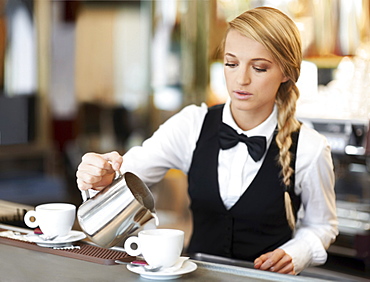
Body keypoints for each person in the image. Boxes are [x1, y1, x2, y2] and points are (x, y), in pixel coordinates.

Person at [76, 7, 338, 275]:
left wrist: (298, 252)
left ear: (286, 72)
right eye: (231, 63)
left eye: (259, 67)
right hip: (196, 277)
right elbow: (128, 174)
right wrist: (100, 176)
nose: (241, 79)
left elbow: (322, 225)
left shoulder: (310, 148)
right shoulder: (192, 124)